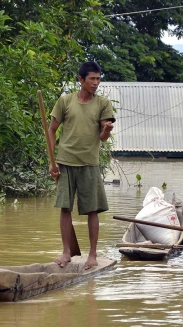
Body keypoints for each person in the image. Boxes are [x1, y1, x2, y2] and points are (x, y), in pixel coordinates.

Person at [48, 61, 115, 270]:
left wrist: (106, 130)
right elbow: (51, 130)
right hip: (65, 161)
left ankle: (92, 255)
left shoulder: (103, 104)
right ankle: (67, 252)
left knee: (92, 210)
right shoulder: (65, 101)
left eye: (98, 79)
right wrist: (52, 161)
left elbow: (103, 137)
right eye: (92, 79)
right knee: (65, 208)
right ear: (81, 80)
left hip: (89, 163)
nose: (96, 83)